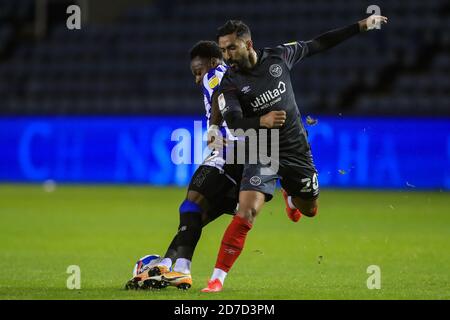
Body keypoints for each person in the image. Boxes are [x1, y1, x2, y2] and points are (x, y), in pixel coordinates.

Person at [201, 16, 388, 292]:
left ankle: (290, 194)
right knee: (246, 213)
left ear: (248, 44)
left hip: (296, 149)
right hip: (262, 151)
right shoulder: (229, 82)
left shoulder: (280, 56)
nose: (227, 56)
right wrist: (261, 122)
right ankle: (217, 278)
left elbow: (319, 43)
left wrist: (361, 26)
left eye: (231, 48)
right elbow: (235, 121)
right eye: (223, 50)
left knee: (309, 210)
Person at [125, 41, 243, 290]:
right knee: (194, 217)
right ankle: (166, 264)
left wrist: (215, 129)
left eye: (198, 72)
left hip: (232, 153)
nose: (197, 79)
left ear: (211, 63)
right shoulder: (234, 77)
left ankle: (181, 268)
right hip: (248, 168)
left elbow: (220, 91)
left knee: (191, 203)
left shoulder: (216, 74)